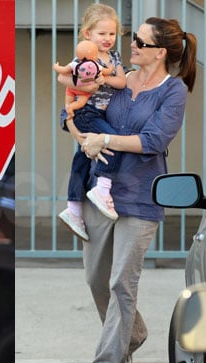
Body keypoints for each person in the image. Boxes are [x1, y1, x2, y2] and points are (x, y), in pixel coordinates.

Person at [61, 18, 197, 363]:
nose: (130, 44)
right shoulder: (112, 76)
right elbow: (72, 108)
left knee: (122, 282)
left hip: (140, 196)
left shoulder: (173, 92)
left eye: (139, 40)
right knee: (95, 279)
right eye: (132, 38)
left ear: (160, 52)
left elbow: (153, 140)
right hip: (97, 193)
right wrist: (81, 134)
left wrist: (105, 137)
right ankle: (133, 334)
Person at [55, 3, 126, 241]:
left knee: (81, 160)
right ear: (88, 34)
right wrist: (86, 83)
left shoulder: (114, 57)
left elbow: (121, 82)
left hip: (99, 114)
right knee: (113, 142)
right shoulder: (84, 57)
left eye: (112, 34)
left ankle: (74, 209)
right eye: (102, 33)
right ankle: (102, 188)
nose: (107, 39)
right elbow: (65, 77)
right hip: (87, 112)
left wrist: (104, 79)